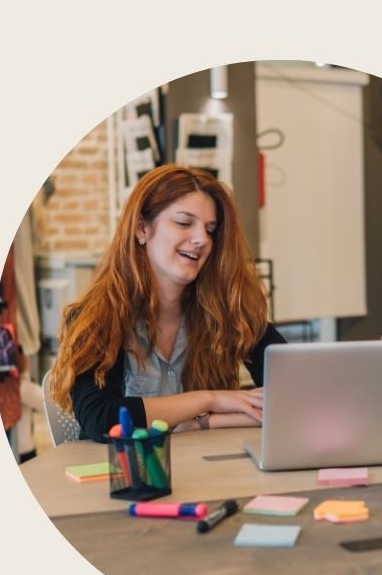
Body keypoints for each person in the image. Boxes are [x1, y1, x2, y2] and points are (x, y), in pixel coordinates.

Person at [47, 165, 283, 442]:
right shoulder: (97, 317)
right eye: (184, 223)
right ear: (141, 228)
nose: (201, 239)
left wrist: (202, 424)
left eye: (210, 230)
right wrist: (210, 400)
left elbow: (296, 399)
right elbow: (103, 419)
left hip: (207, 478)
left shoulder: (228, 311)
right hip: (126, 480)